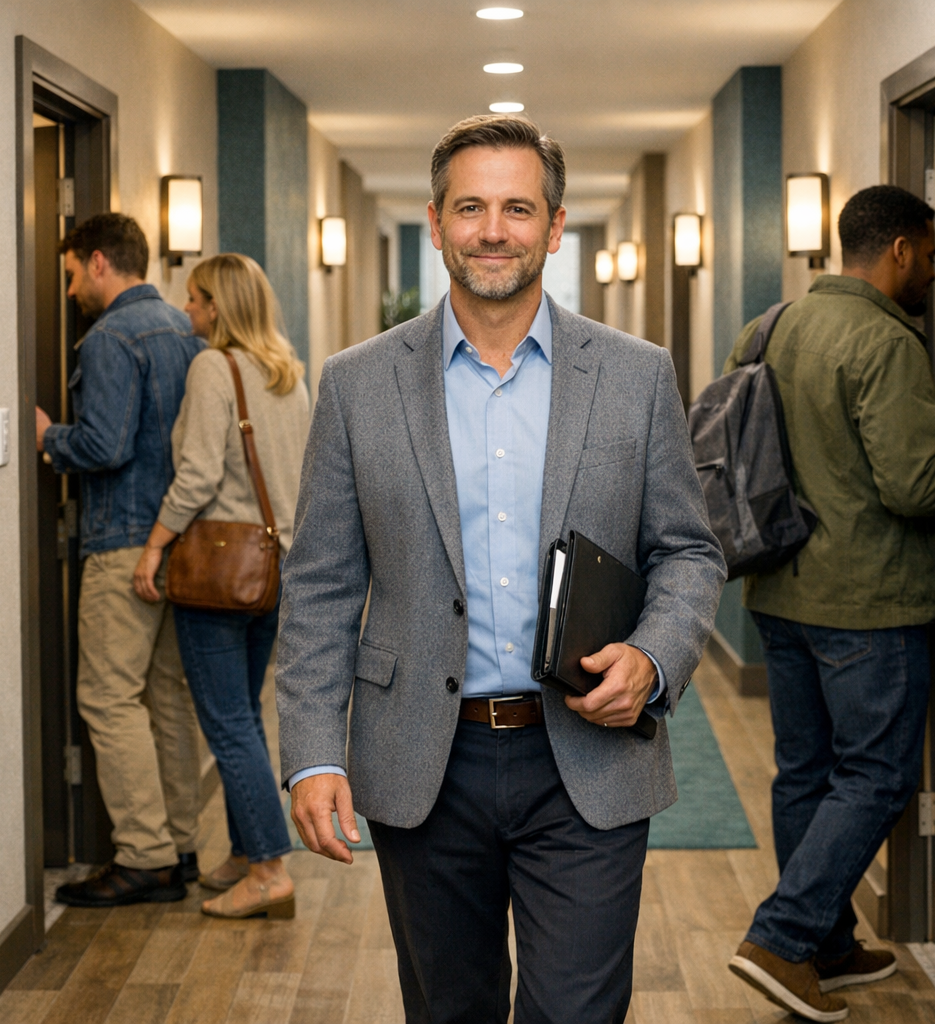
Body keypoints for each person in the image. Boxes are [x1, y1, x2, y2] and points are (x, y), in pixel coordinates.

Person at [277, 114, 726, 1023]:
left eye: (518, 208)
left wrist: (655, 657)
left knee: (576, 1012)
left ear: (554, 227)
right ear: (437, 220)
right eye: (471, 206)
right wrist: (313, 752)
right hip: (419, 761)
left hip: (588, 763)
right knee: (449, 1009)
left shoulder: (636, 377)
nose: (494, 230)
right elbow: (321, 582)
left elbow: (688, 550)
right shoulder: (357, 384)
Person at [724, 185, 935, 1023]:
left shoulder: (771, 327)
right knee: (875, 775)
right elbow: (915, 485)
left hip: (778, 590)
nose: (934, 272)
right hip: (867, 602)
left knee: (806, 772)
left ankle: (827, 943)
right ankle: (784, 935)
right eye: (933, 254)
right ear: (901, 249)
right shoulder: (883, 340)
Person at [133, 253, 310, 920]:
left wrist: (153, 546)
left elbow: (199, 475)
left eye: (196, 299)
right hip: (276, 571)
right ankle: (245, 852)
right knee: (245, 716)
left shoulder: (215, 366)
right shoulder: (288, 373)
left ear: (220, 306)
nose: (188, 312)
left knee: (227, 722)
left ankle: (268, 871)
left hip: (218, 571)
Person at [38, 212, 205, 907]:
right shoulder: (182, 331)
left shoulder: (108, 337)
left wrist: (50, 438)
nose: (72, 286)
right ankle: (181, 842)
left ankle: (142, 854)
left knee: (108, 698)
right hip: (177, 543)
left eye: (74, 271)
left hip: (121, 543)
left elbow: (105, 446)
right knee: (166, 696)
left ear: (101, 262)